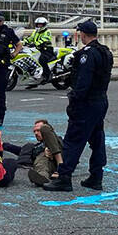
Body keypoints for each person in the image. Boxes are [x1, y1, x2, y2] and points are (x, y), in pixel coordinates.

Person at [44, 20, 112, 192]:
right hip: (100, 100)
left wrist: (74, 100)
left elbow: (82, 83)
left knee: (73, 140)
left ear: (82, 34)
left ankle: (64, 177)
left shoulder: (86, 55)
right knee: (97, 139)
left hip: (86, 103)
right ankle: (96, 176)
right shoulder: (105, 52)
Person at [27, 118, 64, 186]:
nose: (36, 133)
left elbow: (60, 145)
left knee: (45, 130)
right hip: (51, 165)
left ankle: (61, 169)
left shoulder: (59, 139)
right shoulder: (36, 146)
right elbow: (32, 153)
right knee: (41, 159)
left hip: (61, 158)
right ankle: (42, 177)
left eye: (38, 130)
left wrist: (48, 147)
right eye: (34, 131)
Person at [22, 16, 56, 85]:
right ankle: (35, 75)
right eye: (38, 24)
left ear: (44, 25)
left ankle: (47, 75)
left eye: (40, 24)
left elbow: (44, 39)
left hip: (46, 50)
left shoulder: (47, 32)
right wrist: (23, 42)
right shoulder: (36, 31)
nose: (39, 25)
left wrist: (35, 44)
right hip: (38, 49)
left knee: (42, 60)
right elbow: (30, 38)